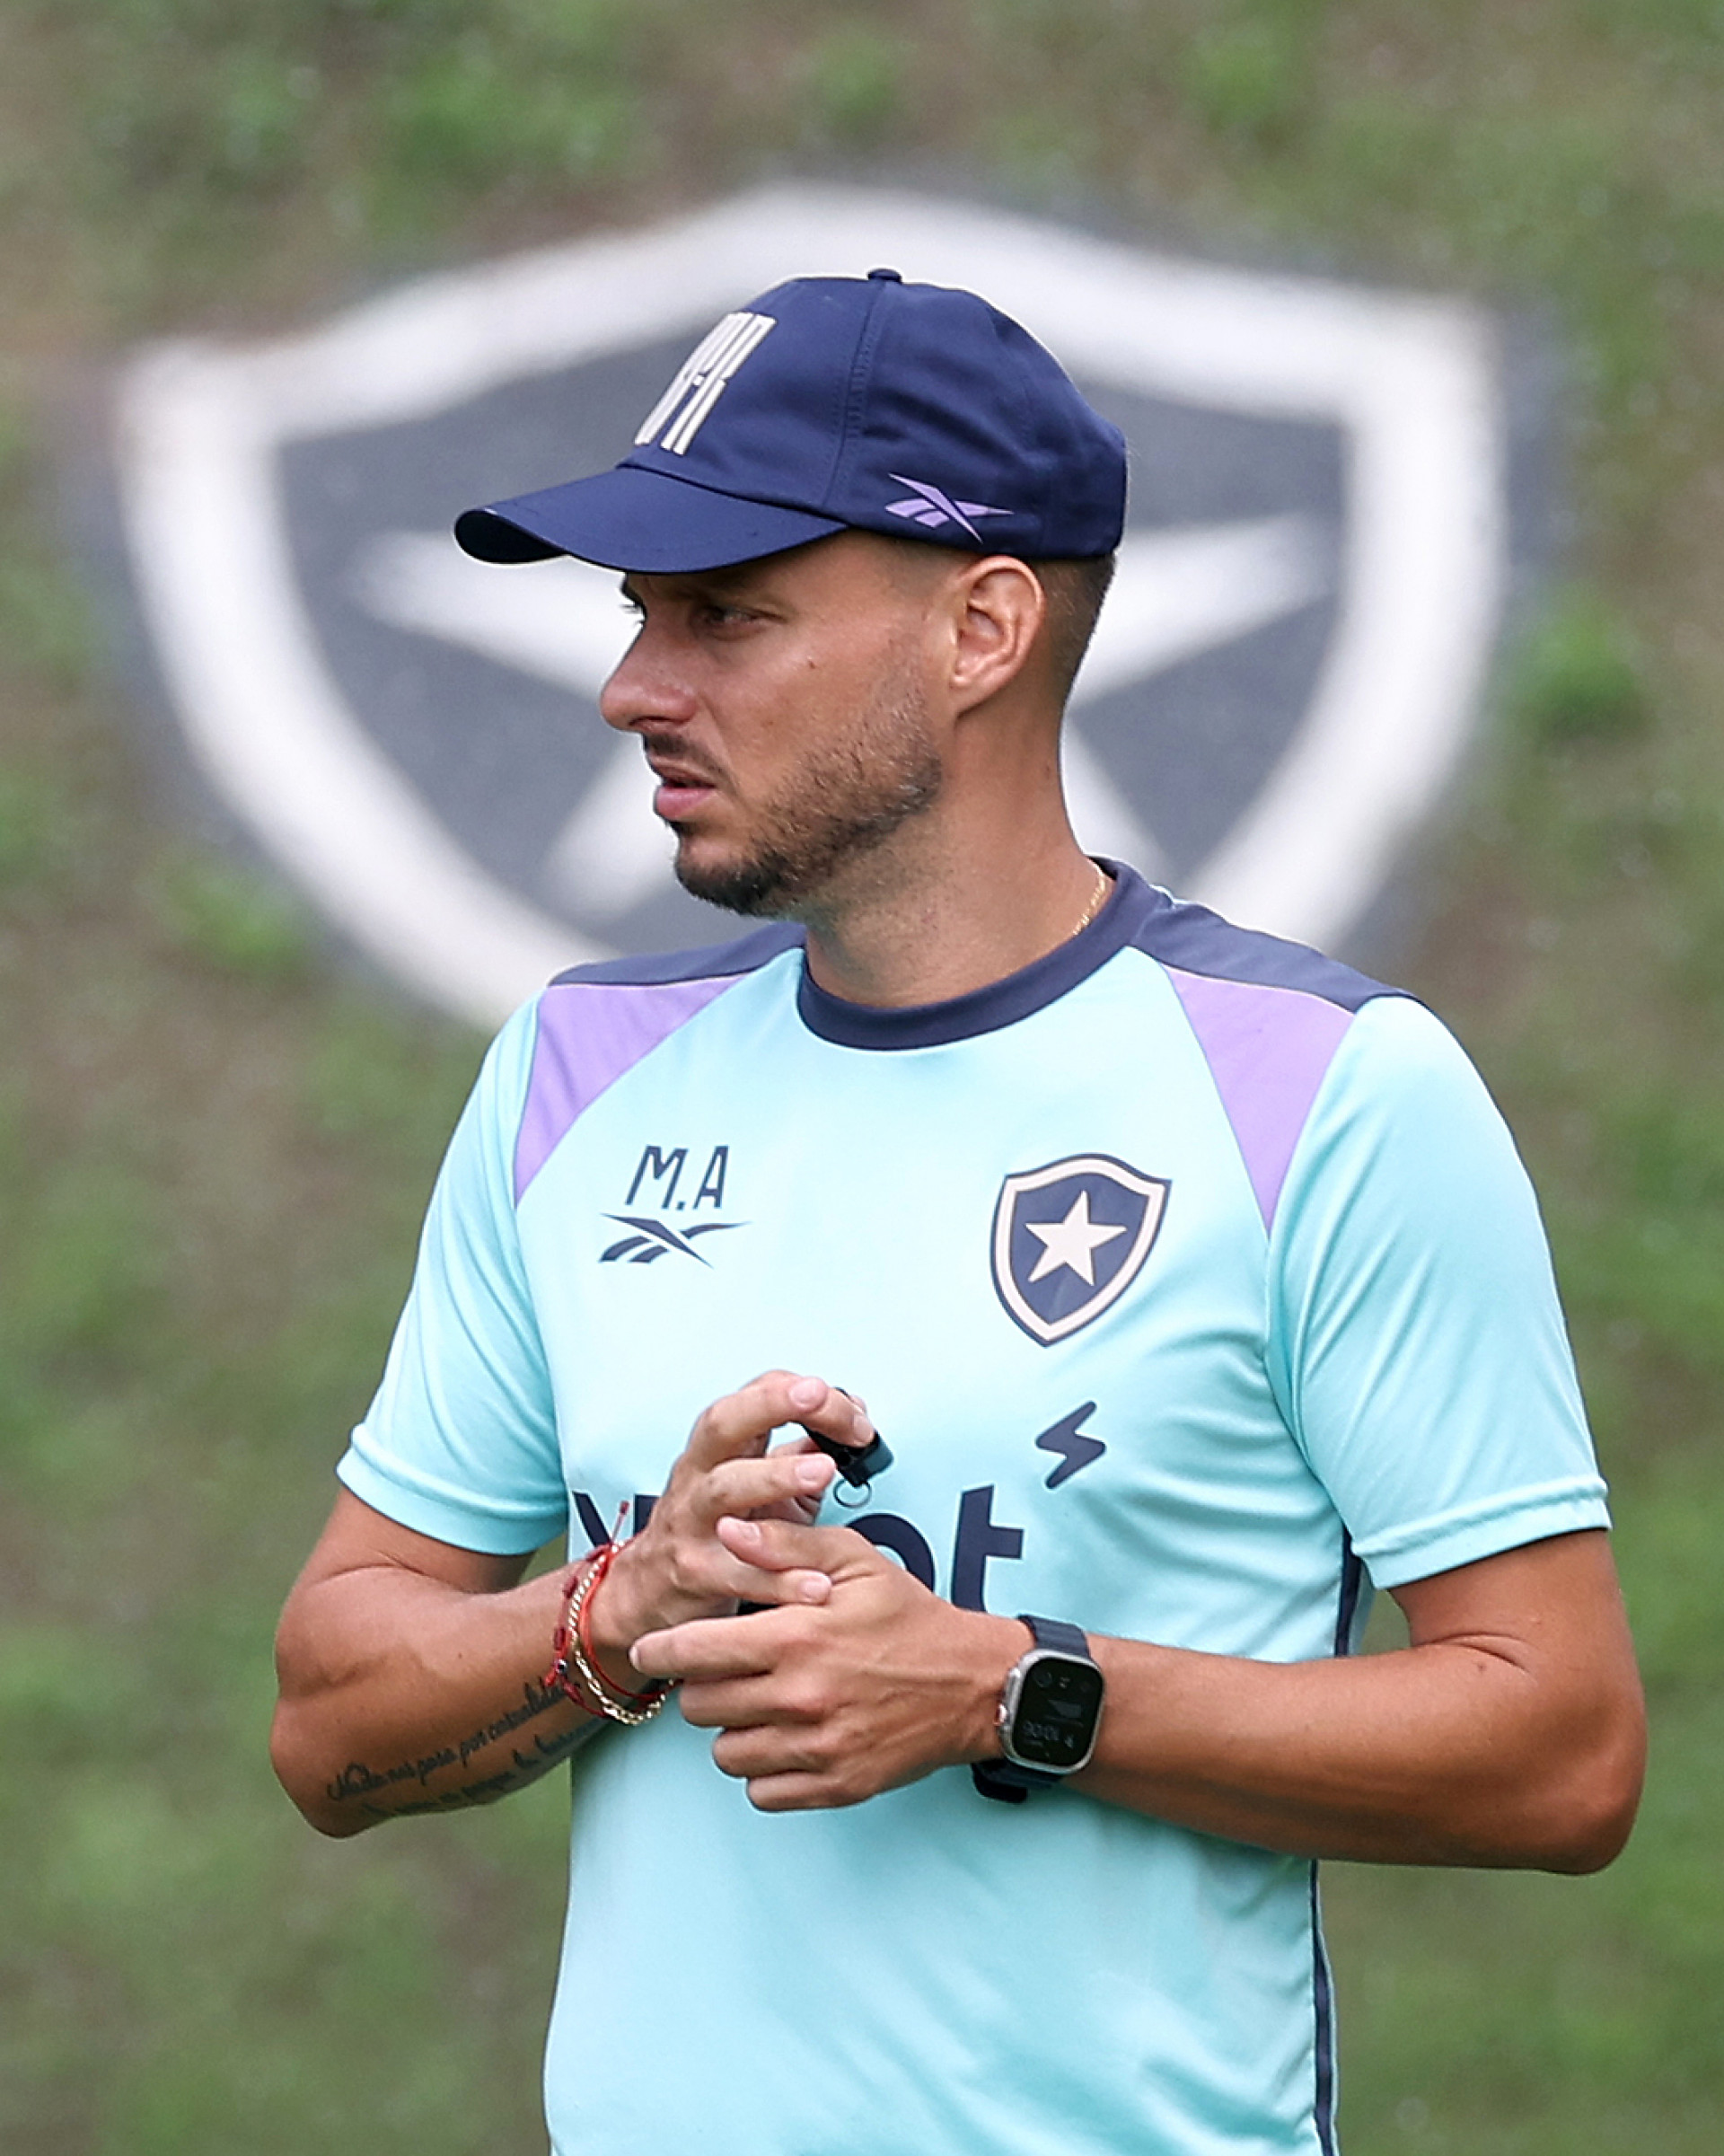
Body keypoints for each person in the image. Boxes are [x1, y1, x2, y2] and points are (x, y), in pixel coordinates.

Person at [270, 268, 1645, 2156]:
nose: (632, 686)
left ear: (983, 626)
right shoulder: (573, 1076)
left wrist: (1010, 1690)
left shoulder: (1327, 1094)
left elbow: (1563, 1749)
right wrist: (621, 1606)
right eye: (636, 612)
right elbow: (329, 1722)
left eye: (726, 614)